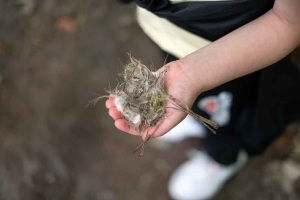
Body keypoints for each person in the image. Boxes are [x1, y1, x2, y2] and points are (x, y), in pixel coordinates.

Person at [108, 0, 300, 199]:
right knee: (191, 91)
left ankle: (223, 159)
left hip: (233, 57)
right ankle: (195, 117)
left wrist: (193, 74)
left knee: (222, 120)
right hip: (165, 31)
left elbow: (287, 20)